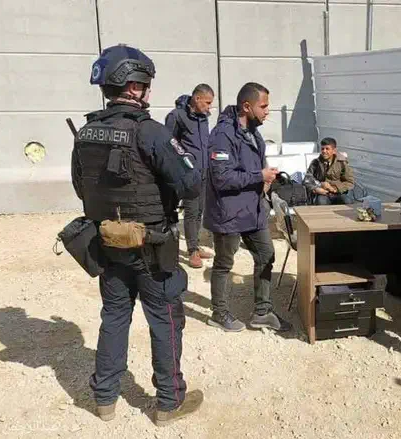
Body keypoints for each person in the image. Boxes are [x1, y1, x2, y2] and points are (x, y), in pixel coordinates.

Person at [71, 44, 203, 426]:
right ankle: (168, 402)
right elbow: (191, 185)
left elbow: (82, 189)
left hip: (108, 243)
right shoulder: (151, 132)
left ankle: (105, 399)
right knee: (164, 320)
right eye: (145, 85)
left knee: (114, 317)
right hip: (151, 247)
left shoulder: (86, 131)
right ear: (134, 86)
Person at [203, 82, 292, 333]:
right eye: (263, 106)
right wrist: (258, 175)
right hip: (229, 212)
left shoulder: (253, 131)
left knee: (266, 254)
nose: (267, 111)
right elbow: (221, 178)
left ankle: (262, 313)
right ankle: (219, 314)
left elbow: (253, 166)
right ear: (246, 106)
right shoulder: (222, 134)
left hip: (253, 210)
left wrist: (265, 179)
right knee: (223, 264)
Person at [165, 84, 215, 269]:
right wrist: (183, 164)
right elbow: (169, 145)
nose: (210, 107)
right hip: (189, 174)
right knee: (192, 211)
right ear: (197, 99)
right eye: (208, 103)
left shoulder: (204, 118)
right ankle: (192, 250)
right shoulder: (177, 116)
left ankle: (195, 244)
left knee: (200, 210)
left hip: (204, 172)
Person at [304, 137, 355, 205]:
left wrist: (334, 188)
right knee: (321, 202)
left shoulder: (342, 163)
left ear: (334, 151)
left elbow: (350, 182)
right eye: (322, 149)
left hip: (338, 193)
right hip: (322, 194)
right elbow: (307, 180)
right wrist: (317, 188)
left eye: (327, 149)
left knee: (348, 201)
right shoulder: (315, 163)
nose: (324, 151)